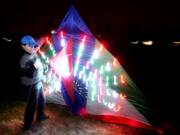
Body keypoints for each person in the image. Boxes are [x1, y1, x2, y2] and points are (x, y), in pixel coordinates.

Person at [20, 35, 49, 130]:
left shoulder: (32, 50)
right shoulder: (24, 58)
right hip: (31, 84)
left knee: (42, 99)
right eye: (29, 46)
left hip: (38, 80)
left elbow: (39, 43)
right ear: (23, 46)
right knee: (32, 104)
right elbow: (25, 73)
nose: (33, 47)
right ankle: (27, 124)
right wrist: (34, 67)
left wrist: (48, 33)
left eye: (33, 45)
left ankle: (40, 115)